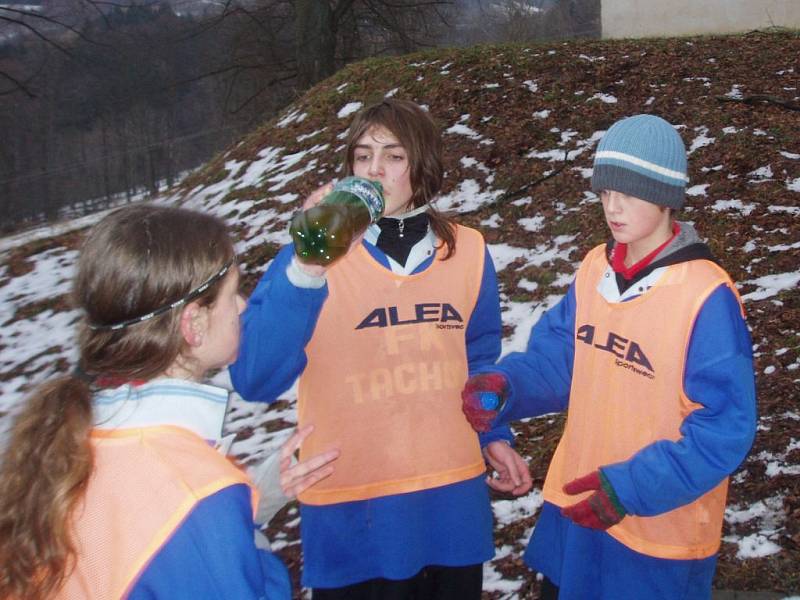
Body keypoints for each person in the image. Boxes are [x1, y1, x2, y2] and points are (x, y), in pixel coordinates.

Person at [230, 98, 532, 599]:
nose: (374, 169)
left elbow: (477, 360)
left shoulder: (469, 250)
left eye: (393, 156)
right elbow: (255, 377)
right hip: (353, 509)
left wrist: (491, 434)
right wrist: (306, 268)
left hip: (449, 501)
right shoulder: (312, 253)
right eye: (362, 154)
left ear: (424, 167)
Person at [460, 114, 758, 599]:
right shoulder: (596, 269)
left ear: (666, 195)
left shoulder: (704, 295)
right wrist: (506, 387)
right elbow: (560, 360)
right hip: (579, 506)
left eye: (629, 193)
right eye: (604, 194)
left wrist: (631, 488)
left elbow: (725, 428)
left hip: (655, 529)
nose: (612, 207)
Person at [0, 205, 339, 600]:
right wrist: (242, 539)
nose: (243, 307)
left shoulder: (77, 441)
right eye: (233, 294)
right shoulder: (193, 492)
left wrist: (248, 503)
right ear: (193, 323)